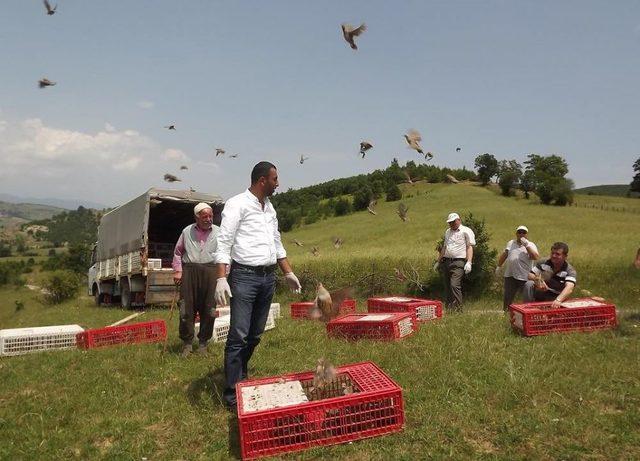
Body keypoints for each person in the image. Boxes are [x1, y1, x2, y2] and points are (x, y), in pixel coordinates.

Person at [214, 161, 302, 410]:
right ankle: (232, 394)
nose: (278, 183)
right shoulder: (237, 204)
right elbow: (224, 241)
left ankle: (240, 375)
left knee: (255, 335)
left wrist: (288, 272)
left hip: (267, 277)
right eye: (275, 179)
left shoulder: (269, 208)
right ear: (262, 180)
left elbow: (276, 242)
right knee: (238, 335)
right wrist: (221, 277)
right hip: (244, 276)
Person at [172, 202, 220, 357]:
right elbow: (178, 252)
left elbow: (226, 254)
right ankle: (187, 344)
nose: (208, 219)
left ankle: (203, 344)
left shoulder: (219, 232)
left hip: (211, 272)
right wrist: (178, 271)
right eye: (205, 216)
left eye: (210, 216)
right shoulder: (187, 231)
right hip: (190, 271)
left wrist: (223, 275)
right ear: (197, 217)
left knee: (209, 309)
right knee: (186, 307)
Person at [434, 212, 475, 312]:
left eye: (453, 222)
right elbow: (444, 247)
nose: (452, 224)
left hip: (459, 262)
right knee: (447, 285)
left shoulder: (466, 231)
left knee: (454, 284)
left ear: (459, 220)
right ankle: (449, 309)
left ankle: (458, 310)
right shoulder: (448, 231)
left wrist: (469, 262)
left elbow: (469, 247)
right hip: (447, 262)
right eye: (450, 222)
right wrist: (438, 262)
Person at [495, 225, 539, 311]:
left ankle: (528, 313)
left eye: (523, 232)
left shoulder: (530, 244)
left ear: (527, 234)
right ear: (516, 234)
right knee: (508, 297)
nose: (521, 234)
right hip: (510, 274)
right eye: (519, 232)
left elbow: (535, 257)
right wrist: (499, 266)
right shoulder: (511, 243)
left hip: (525, 276)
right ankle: (506, 313)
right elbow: (505, 254)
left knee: (527, 297)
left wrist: (526, 245)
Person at [523, 242, 577, 309]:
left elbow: (569, 288)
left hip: (556, 296)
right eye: (552, 253)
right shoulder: (543, 262)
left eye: (557, 254)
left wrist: (558, 300)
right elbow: (530, 275)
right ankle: (527, 308)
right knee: (529, 284)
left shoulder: (569, 270)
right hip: (541, 292)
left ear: (565, 256)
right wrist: (539, 280)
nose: (554, 256)